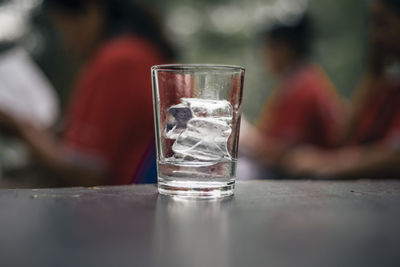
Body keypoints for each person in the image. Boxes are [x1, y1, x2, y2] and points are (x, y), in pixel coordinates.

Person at [0, 0, 174, 186]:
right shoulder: (144, 54)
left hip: (119, 206)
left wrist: (24, 131)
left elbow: (87, 173)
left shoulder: (118, 62)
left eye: (65, 28)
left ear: (90, 11)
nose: (68, 43)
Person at [283, 0, 400, 179]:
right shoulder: (387, 88)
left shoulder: (306, 83)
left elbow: (394, 156)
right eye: (372, 25)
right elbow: (344, 138)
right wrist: (373, 73)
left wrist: (330, 163)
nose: (375, 36)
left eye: (383, 23)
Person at [239, 15, 344, 177]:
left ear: (284, 50)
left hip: (310, 176)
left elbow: (281, 151)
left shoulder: (303, 86)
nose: (264, 56)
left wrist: (241, 137)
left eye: (267, 48)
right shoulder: (299, 79)